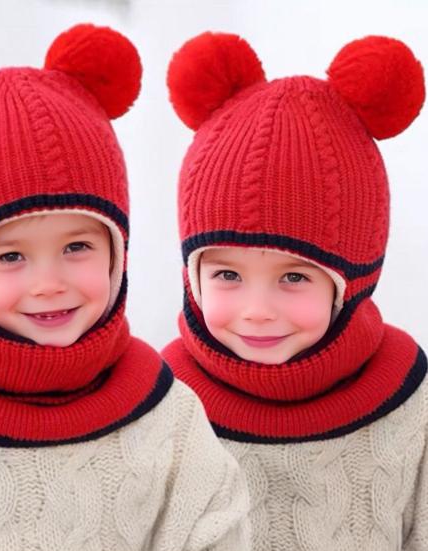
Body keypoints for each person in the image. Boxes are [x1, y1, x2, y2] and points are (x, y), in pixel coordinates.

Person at [0, 25, 248, 550]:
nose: (49, 284)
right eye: (11, 257)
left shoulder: (166, 413)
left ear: (118, 251)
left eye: (76, 246)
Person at [162, 31, 428, 550]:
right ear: (191, 276)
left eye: (294, 277)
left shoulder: (407, 395)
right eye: (228, 275)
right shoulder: (163, 401)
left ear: (352, 279)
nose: (257, 311)